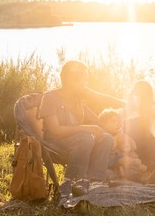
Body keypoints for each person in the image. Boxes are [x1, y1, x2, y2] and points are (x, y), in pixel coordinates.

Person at [39, 60, 125, 198]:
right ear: (70, 80)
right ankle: (71, 181)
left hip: (79, 141)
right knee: (85, 137)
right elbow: (55, 130)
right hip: (55, 142)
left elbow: (101, 98)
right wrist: (86, 128)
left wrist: (126, 104)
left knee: (105, 138)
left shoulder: (77, 98)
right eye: (83, 80)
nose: (85, 84)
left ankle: (94, 181)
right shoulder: (50, 97)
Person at [98, 108, 155, 184]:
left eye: (118, 121)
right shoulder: (104, 137)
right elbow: (107, 155)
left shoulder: (120, 135)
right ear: (104, 124)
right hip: (113, 162)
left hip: (123, 160)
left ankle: (146, 177)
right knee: (126, 167)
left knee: (134, 165)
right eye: (113, 121)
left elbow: (129, 145)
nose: (117, 124)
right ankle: (142, 179)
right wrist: (120, 159)